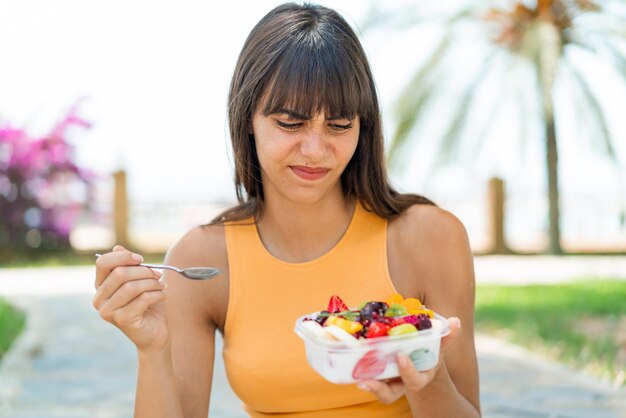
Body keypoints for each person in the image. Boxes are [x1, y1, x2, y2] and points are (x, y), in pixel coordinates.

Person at [93, 3, 481, 417]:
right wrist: (153, 350)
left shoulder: (429, 237)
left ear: (362, 125)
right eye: (290, 124)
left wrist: (426, 375)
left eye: (339, 125)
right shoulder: (201, 260)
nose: (315, 151)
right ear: (247, 119)